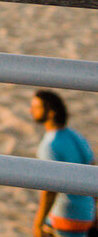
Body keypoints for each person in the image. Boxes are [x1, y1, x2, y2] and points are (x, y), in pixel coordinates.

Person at [31, 90, 95, 237]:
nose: (31, 111)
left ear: (51, 112)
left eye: (36, 107)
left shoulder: (50, 144)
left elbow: (50, 189)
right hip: (86, 213)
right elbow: (92, 170)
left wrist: (38, 223)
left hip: (65, 215)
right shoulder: (76, 136)